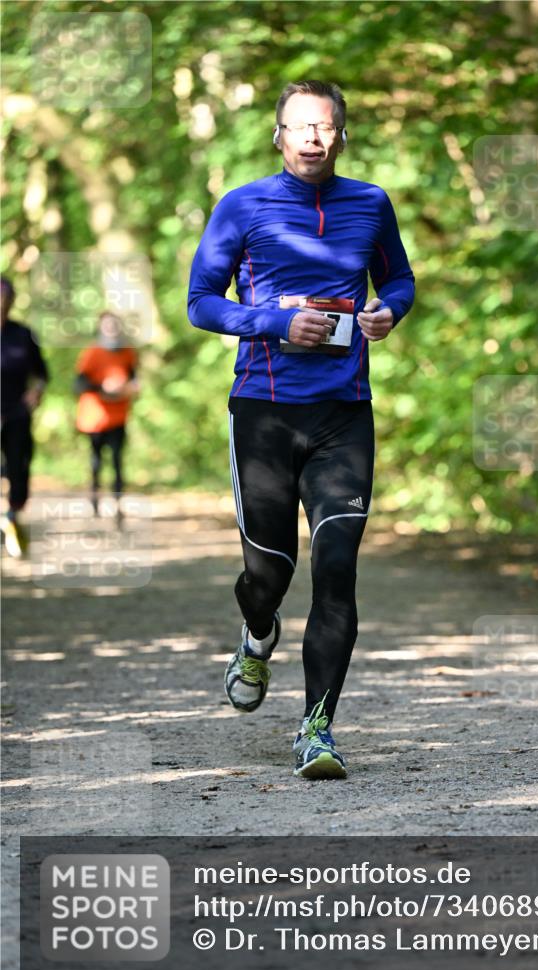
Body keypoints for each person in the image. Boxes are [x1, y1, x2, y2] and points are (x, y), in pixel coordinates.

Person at [188, 80, 415, 779]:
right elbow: (201, 301)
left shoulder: (370, 204)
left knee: (337, 571)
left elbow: (399, 280)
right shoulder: (242, 206)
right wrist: (274, 321)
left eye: (326, 127)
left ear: (342, 135)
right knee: (268, 572)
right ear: (278, 135)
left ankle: (316, 730)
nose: (313, 138)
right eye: (300, 126)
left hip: (342, 413)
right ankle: (258, 635)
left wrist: (387, 313)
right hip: (262, 409)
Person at [73, 312, 139, 526]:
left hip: (119, 416)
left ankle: (118, 505)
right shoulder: (92, 353)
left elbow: (134, 378)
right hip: (95, 418)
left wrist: (129, 388)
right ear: (100, 327)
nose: (111, 328)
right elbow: (79, 385)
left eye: (114, 325)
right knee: (96, 461)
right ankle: (94, 502)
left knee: (118, 461)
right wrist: (103, 388)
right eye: (107, 325)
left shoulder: (127, 352)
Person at [1, 275, 49, 558]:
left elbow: (41, 374)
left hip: (16, 413)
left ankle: (13, 517)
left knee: (19, 470)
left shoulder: (22, 334)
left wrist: (36, 392)